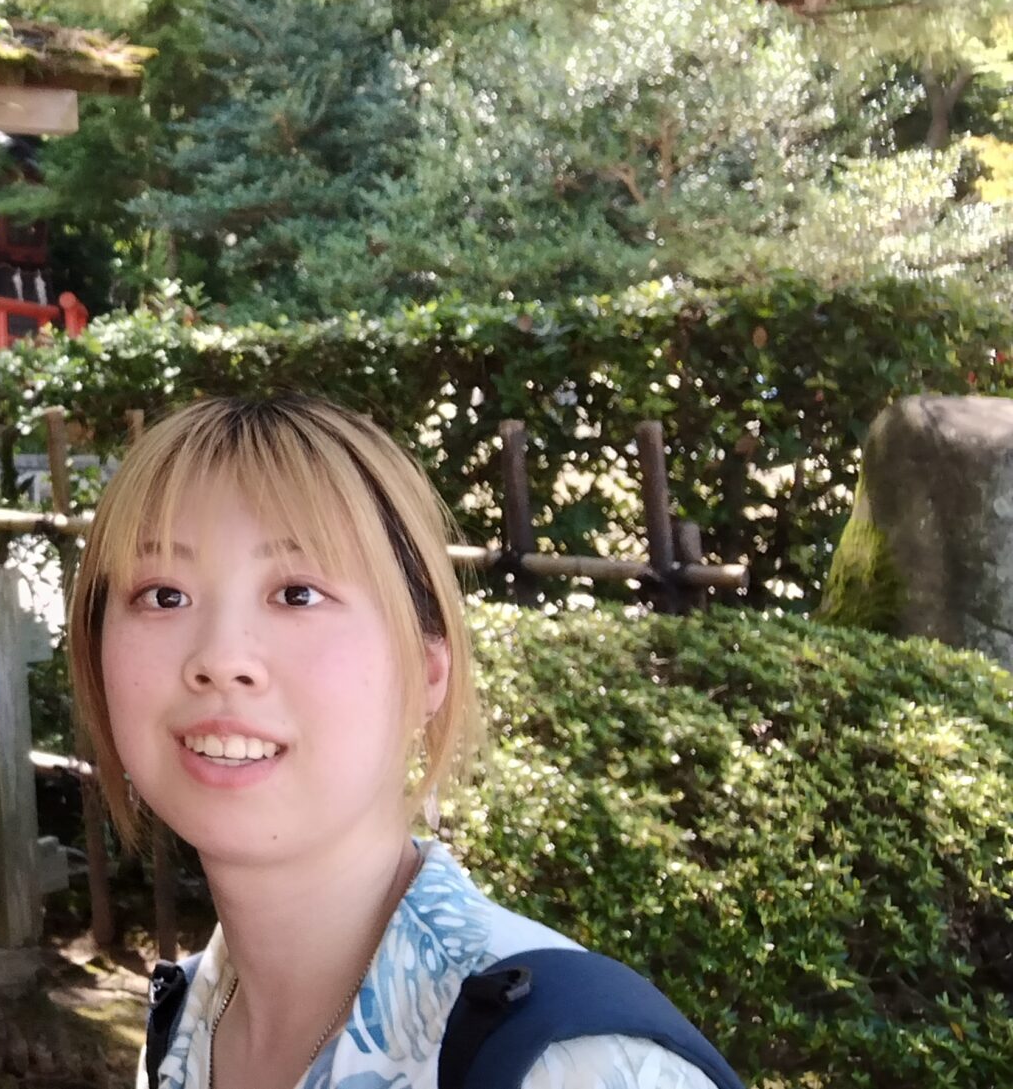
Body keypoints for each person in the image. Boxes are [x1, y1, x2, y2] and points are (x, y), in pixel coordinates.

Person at [69, 396, 741, 1089]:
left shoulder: (576, 1068)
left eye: (297, 593)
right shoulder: (185, 1031)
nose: (220, 658)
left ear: (427, 671)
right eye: (163, 595)